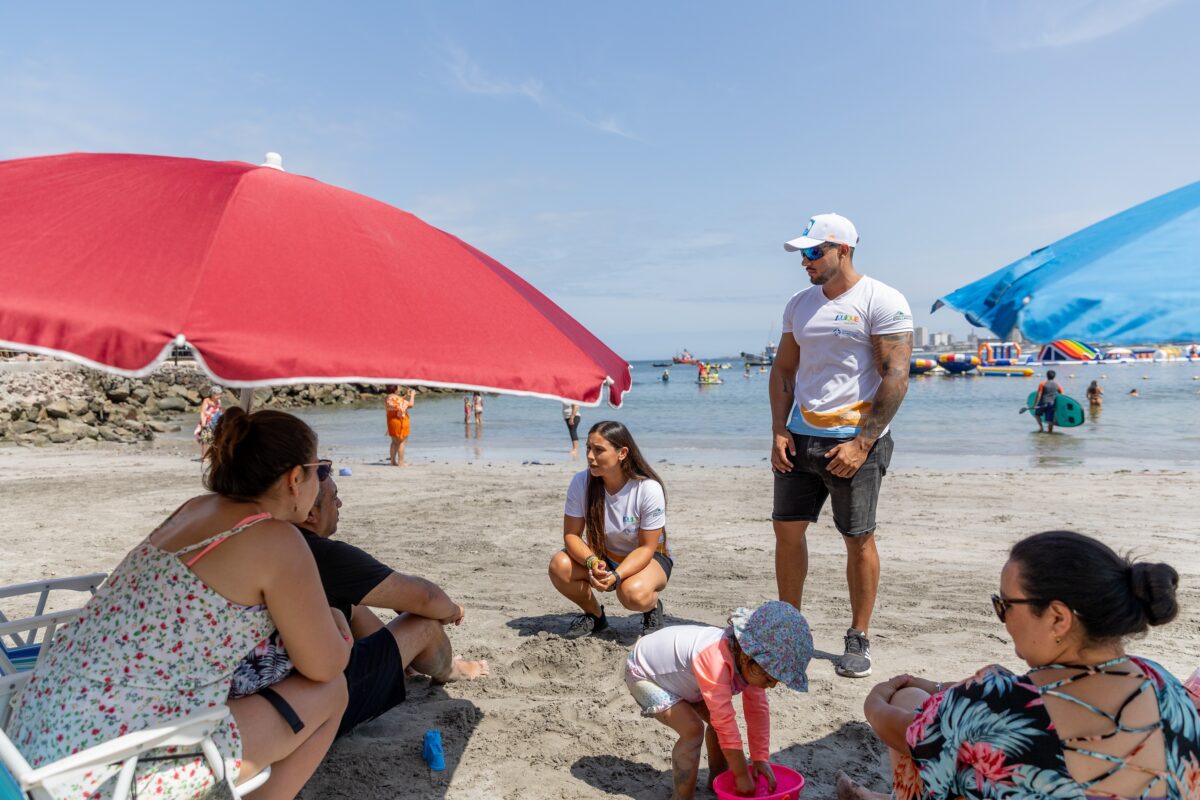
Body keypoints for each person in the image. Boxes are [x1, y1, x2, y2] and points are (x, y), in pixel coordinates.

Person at [9, 408, 352, 799]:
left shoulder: (193, 510)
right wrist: (337, 623)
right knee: (331, 692)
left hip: (37, 740)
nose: (322, 478)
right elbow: (324, 665)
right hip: (106, 773)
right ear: (295, 478)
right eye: (320, 470)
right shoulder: (276, 539)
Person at [838, 530, 1200, 800]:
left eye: (1005, 605)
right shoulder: (1164, 684)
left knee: (914, 712)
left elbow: (894, 725)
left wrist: (879, 694)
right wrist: (939, 689)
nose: (1003, 618)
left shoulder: (989, 701)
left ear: (1058, 618)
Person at [236, 473, 489, 738]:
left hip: (268, 692)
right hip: (311, 710)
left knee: (349, 606)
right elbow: (427, 598)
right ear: (310, 513)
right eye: (334, 498)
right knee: (424, 624)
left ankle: (407, 666)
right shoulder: (321, 555)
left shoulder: (264, 536)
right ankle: (452, 670)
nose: (340, 504)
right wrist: (454, 611)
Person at [770, 213, 913, 679]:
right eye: (803, 253)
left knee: (858, 538)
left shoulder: (882, 300)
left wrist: (863, 442)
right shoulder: (799, 303)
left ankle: (858, 636)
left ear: (843, 250)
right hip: (800, 437)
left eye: (813, 252)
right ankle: (789, 626)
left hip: (854, 442)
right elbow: (784, 369)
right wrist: (778, 428)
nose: (805, 262)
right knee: (787, 532)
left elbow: (895, 375)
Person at [624, 601, 812, 800]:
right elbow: (725, 724)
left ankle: (719, 781)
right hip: (645, 674)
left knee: (717, 723)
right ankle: (682, 798)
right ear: (748, 658)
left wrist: (760, 758)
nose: (771, 685)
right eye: (769, 678)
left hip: (686, 681)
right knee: (692, 730)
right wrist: (741, 774)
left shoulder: (749, 662)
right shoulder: (715, 660)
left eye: (776, 681)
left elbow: (758, 713)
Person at [548, 421, 672, 639]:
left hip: (649, 558)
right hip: (605, 556)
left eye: (599, 450)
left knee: (632, 594)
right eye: (588, 448)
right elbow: (571, 535)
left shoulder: (647, 488)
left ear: (622, 453)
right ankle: (595, 616)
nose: (590, 456)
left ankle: (652, 608)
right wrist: (593, 562)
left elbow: (647, 547)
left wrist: (616, 576)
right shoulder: (581, 482)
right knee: (559, 565)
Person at [385, 385, 416, 466]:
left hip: (391, 421)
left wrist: (406, 396)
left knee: (394, 442)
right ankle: (401, 462)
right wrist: (412, 395)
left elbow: (398, 403)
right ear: (395, 390)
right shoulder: (397, 399)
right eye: (398, 388)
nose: (400, 389)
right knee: (402, 442)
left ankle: (392, 461)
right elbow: (410, 405)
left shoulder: (387, 398)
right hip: (400, 421)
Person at [194, 384, 223, 459]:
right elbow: (203, 412)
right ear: (212, 394)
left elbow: (220, 411)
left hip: (216, 421)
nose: (219, 396)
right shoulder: (207, 400)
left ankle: (213, 455)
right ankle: (204, 456)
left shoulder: (219, 401)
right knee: (205, 439)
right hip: (207, 421)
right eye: (217, 394)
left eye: (220, 394)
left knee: (215, 439)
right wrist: (203, 422)